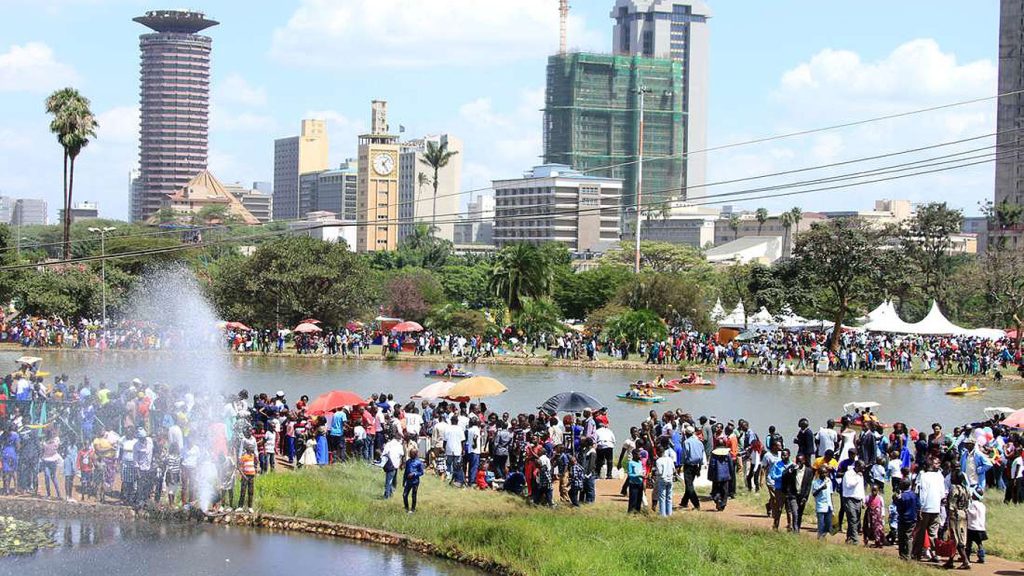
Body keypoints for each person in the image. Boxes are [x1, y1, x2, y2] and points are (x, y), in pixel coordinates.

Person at [913, 458, 946, 561]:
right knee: (933, 533)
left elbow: (923, 493)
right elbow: (942, 493)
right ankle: (936, 554)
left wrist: (921, 508)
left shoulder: (924, 476)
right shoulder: (939, 476)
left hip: (926, 508)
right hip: (936, 508)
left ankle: (916, 553)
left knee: (921, 532)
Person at [944, 468, 971, 570]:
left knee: (955, 538)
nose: (951, 478)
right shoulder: (965, 489)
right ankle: (950, 560)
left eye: (953, 477)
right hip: (963, 513)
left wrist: (949, 518)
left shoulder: (954, 489)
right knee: (959, 537)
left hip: (955, 515)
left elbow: (951, 505)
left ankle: (965, 561)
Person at [680, 425, 704, 510]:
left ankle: (696, 504)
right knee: (689, 484)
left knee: (689, 485)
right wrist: (699, 468)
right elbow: (701, 456)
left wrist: (681, 465)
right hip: (697, 466)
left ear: (686, 433)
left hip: (689, 466)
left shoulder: (686, 442)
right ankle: (684, 502)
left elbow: (684, 455)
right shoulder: (699, 442)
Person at [894, 479, 919, 561]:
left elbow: (899, 508)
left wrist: (895, 500)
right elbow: (918, 506)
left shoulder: (902, 496)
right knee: (909, 537)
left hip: (903, 519)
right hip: (913, 519)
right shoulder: (914, 495)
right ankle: (908, 555)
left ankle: (903, 555)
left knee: (901, 537)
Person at [841, 461, 866, 544]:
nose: (863, 469)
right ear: (857, 466)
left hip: (858, 500)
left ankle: (849, 538)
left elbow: (861, 488)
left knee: (856, 520)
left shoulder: (860, 475)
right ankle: (855, 540)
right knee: (853, 519)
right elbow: (849, 485)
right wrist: (857, 478)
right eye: (862, 467)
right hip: (849, 499)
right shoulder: (848, 474)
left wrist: (863, 500)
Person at [811, 466, 833, 539]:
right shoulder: (815, 482)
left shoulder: (829, 481)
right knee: (821, 524)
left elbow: (830, 493)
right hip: (820, 506)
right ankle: (820, 537)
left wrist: (832, 506)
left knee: (828, 523)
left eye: (826, 473)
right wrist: (820, 488)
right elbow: (814, 494)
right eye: (823, 473)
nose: (824, 474)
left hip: (828, 505)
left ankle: (823, 535)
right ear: (819, 474)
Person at [708, 446, 733, 511]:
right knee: (725, 491)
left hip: (716, 476)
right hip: (726, 475)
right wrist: (731, 473)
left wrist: (710, 476)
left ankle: (718, 500)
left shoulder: (714, 455)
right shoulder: (728, 454)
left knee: (715, 490)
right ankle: (723, 504)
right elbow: (731, 465)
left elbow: (712, 465)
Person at [966, 488, 987, 565]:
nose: (972, 495)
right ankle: (982, 557)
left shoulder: (973, 504)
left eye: (973, 494)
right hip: (981, 528)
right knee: (979, 543)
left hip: (972, 527)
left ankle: (966, 557)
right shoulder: (982, 505)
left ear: (975, 496)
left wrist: (967, 510)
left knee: (968, 543)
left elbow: (973, 514)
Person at [863, 482, 886, 547]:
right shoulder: (868, 497)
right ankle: (866, 541)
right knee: (867, 527)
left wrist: (883, 514)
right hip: (869, 515)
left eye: (875, 490)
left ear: (878, 491)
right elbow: (865, 503)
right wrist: (864, 505)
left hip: (877, 516)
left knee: (878, 528)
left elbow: (882, 507)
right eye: (872, 490)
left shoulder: (880, 498)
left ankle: (878, 542)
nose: (874, 492)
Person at [402, 447, 424, 513]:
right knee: (404, 495)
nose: (410, 454)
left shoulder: (418, 462)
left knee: (413, 495)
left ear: (415, 454)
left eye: (412, 453)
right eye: (410, 453)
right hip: (408, 481)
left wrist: (414, 474)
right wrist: (404, 481)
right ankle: (406, 508)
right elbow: (406, 472)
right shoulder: (408, 461)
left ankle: (413, 509)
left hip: (415, 481)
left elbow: (421, 472)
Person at [382, 435, 404, 499]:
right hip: (396, 464)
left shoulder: (388, 444)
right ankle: (388, 494)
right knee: (392, 479)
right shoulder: (399, 446)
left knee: (389, 480)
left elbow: (384, 453)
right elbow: (402, 454)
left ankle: (388, 494)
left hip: (389, 464)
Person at [655, 447, 675, 517]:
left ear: (658, 452)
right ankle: (669, 513)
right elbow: (673, 470)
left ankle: (663, 514)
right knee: (669, 497)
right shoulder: (670, 459)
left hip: (662, 479)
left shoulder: (658, 461)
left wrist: (655, 472)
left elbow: (660, 472)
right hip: (670, 479)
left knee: (662, 497)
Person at [237, 445, 257, 513]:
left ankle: (250, 507)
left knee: (251, 492)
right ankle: (240, 506)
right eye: (251, 448)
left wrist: (255, 471)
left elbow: (255, 464)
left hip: (251, 476)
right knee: (243, 491)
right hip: (245, 476)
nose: (253, 450)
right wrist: (243, 476)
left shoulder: (253, 456)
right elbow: (239, 467)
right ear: (248, 450)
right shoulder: (244, 457)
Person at [626, 449, 644, 513]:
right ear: (634, 455)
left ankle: (637, 512)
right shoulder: (630, 463)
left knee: (639, 499)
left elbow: (641, 471)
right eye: (639, 455)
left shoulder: (640, 462)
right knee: (633, 499)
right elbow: (630, 474)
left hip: (640, 483)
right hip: (633, 484)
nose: (640, 456)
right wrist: (637, 475)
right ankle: (630, 512)